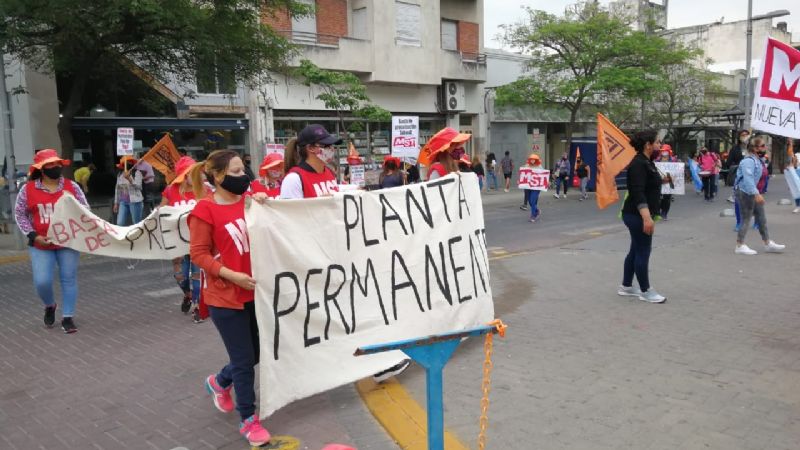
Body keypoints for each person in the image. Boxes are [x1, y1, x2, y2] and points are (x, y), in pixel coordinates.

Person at [281, 125, 411, 382]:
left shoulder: (328, 173)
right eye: (326, 146)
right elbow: (288, 221)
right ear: (311, 149)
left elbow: (335, 202)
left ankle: (375, 364)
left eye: (331, 146)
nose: (331, 150)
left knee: (357, 311)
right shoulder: (294, 179)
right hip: (315, 262)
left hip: (338, 257)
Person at [187, 150, 271, 446]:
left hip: (255, 292)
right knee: (244, 360)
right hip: (226, 297)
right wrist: (230, 275)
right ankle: (249, 419)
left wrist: (261, 202)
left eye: (243, 169)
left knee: (256, 353)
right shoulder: (204, 211)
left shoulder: (249, 202)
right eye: (235, 171)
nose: (243, 175)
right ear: (218, 177)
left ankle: (220, 381)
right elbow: (198, 254)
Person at [14, 149, 89, 333]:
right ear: (41, 169)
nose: (55, 167)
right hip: (40, 244)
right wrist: (34, 235)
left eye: (57, 164)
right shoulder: (28, 189)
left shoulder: (72, 187)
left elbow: (85, 210)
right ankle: (50, 305)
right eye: (50, 165)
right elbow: (19, 214)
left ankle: (68, 317)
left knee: (68, 279)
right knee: (42, 281)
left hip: (68, 243)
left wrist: (77, 230)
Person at [617, 130, 667, 303]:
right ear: (648, 145)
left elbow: (647, 184)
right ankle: (645, 290)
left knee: (635, 250)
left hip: (637, 214)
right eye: (658, 142)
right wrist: (646, 217)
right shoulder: (638, 163)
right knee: (643, 251)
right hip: (636, 215)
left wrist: (663, 181)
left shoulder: (647, 162)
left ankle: (626, 286)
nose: (660, 146)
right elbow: (637, 192)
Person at [161, 156, 208, 322]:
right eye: (190, 172)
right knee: (181, 276)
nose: (194, 175)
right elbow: (161, 214)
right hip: (177, 243)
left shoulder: (204, 190)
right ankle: (187, 295)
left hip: (198, 241)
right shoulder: (170, 190)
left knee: (197, 275)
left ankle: (197, 306)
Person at [734, 137, 785, 255]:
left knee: (761, 218)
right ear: (754, 148)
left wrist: (758, 192)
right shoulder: (748, 161)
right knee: (746, 219)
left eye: (764, 145)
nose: (764, 148)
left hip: (753, 192)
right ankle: (739, 245)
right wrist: (756, 193)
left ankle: (767, 243)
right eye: (761, 146)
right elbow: (748, 180)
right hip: (744, 192)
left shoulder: (758, 160)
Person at [114, 156, 144, 226]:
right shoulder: (120, 174)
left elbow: (139, 187)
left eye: (129, 162)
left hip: (135, 201)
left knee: (136, 223)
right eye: (125, 163)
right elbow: (117, 189)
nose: (127, 164)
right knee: (120, 223)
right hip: (123, 202)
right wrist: (116, 203)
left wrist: (130, 179)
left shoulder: (137, 173)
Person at [657, 145, 675, 220]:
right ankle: (658, 211)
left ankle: (664, 213)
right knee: (658, 198)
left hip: (669, 183)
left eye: (666, 151)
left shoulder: (673, 161)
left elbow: (677, 172)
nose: (664, 154)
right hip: (659, 183)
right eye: (663, 151)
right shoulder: (657, 161)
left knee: (667, 199)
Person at [523, 154, 543, 222]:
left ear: (536, 160)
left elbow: (544, 175)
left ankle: (533, 216)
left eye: (534, 159)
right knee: (530, 202)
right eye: (531, 159)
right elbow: (523, 175)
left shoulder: (539, 166)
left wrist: (546, 182)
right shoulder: (526, 166)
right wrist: (520, 181)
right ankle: (537, 211)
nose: (532, 160)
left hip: (536, 187)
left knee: (533, 200)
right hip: (528, 187)